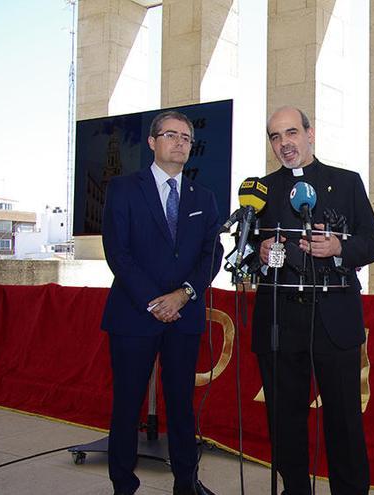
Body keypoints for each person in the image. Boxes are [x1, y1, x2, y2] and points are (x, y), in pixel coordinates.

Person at [252, 106, 374, 495]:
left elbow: (373, 244)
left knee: (343, 421)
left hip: (334, 319)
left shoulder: (346, 183)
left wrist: (338, 247)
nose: (284, 144)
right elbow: (244, 254)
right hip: (279, 320)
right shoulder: (262, 191)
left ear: (310, 134)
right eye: (275, 137)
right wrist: (260, 256)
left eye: (291, 133)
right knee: (285, 421)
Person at [100, 110, 224, 495]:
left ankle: (186, 483)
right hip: (134, 314)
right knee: (127, 405)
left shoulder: (203, 197)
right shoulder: (122, 188)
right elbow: (117, 252)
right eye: (171, 135)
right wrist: (155, 301)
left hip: (183, 317)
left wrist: (183, 295)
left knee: (182, 406)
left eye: (186, 137)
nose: (180, 142)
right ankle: (123, 484)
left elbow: (211, 255)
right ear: (152, 143)